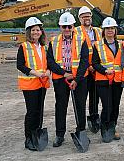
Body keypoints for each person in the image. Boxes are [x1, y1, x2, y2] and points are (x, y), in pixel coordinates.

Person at [47, 12, 89, 147]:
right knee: (60, 106)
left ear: (73, 26)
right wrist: (64, 73)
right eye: (64, 26)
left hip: (79, 79)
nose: (66, 29)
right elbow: (50, 61)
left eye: (69, 27)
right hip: (60, 79)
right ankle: (60, 135)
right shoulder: (53, 41)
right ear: (60, 27)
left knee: (80, 105)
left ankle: (81, 131)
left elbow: (84, 61)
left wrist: (76, 78)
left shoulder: (81, 39)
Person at [17, 17, 50, 150]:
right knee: (32, 112)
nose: (36, 32)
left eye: (38, 30)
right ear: (29, 32)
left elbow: (48, 63)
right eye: (33, 30)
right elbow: (19, 65)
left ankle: (37, 134)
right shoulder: (24, 46)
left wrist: (48, 71)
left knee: (40, 111)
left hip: (42, 83)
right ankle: (29, 138)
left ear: (41, 32)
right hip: (30, 84)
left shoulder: (43, 47)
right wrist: (34, 73)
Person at [92, 17, 123, 141]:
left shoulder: (121, 44)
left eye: (112, 28)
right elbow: (94, 63)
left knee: (115, 105)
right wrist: (105, 70)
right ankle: (105, 127)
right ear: (103, 31)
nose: (110, 30)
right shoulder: (97, 45)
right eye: (107, 28)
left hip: (117, 80)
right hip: (103, 80)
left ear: (115, 30)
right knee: (107, 105)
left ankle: (113, 127)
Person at [76, 6, 102, 131]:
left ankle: (94, 117)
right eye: (84, 16)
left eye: (88, 15)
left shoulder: (98, 31)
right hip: (83, 70)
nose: (86, 18)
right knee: (82, 97)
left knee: (95, 96)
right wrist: (88, 66)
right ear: (79, 18)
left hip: (96, 69)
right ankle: (81, 124)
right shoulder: (75, 31)